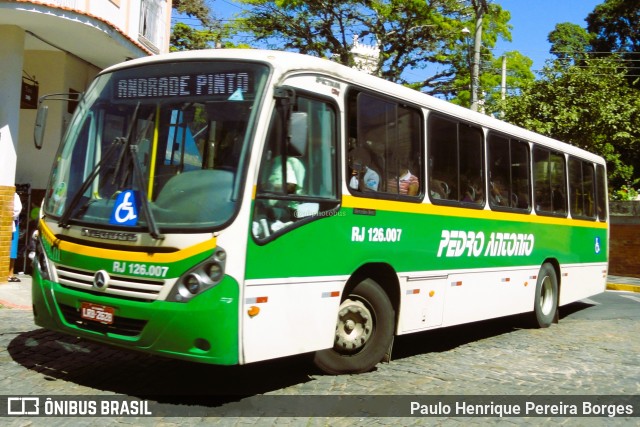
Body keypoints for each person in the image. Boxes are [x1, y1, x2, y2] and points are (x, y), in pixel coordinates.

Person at [8, 192, 22, 282]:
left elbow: (17, 209)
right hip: (9, 223)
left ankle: (10, 273)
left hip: (12, 224)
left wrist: (7, 216)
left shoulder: (14, 195)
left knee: (12, 250)